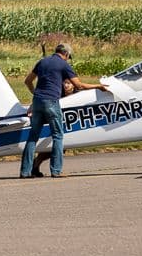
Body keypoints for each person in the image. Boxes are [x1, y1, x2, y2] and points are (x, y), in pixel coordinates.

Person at [19, 43, 102, 179]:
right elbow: (79, 85)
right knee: (58, 135)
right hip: (51, 102)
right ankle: (56, 170)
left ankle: (25, 172)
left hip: (37, 102)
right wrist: (98, 86)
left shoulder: (42, 62)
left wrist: (35, 94)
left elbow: (28, 81)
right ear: (66, 54)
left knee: (33, 137)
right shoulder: (63, 65)